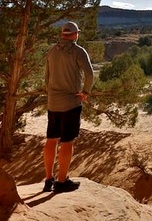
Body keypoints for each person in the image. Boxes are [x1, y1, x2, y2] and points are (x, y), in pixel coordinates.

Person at [42, 21, 94, 193]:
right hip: (70, 103)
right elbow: (90, 74)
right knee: (67, 142)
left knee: (51, 139)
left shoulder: (51, 51)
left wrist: (52, 95)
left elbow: (46, 77)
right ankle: (62, 181)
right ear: (74, 34)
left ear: (62, 34)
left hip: (53, 103)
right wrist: (85, 91)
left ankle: (48, 179)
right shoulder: (78, 51)